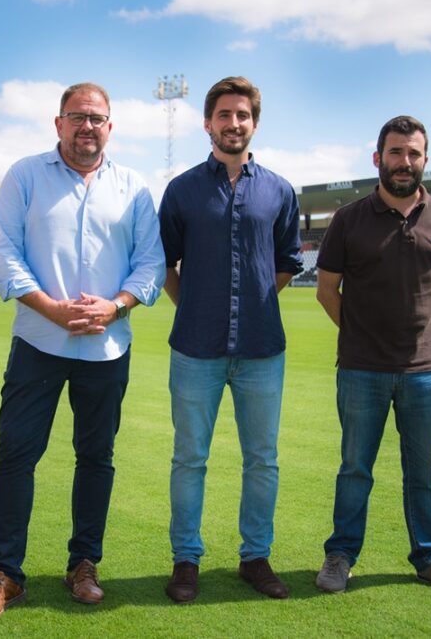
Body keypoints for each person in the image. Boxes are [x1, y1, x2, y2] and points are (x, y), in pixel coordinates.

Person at [0, 82, 166, 622]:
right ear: (58, 124)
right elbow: (1, 253)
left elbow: (150, 264)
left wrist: (115, 306)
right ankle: (5, 572)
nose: (87, 127)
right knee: (16, 456)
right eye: (77, 117)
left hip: (106, 346)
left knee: (96, 458)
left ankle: (84, 565)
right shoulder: (25, 175)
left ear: (110, 126)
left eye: (97, 118)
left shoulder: (133, 187)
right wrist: (51, 308)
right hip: (38, 340)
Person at [313, 115, 431, 598]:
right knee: (354, 469)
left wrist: (422, 337)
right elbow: (327, 291)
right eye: (395, 152)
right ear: (377, 159)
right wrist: (365, 335)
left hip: (427, 374)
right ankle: (340, 555)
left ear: (425, 159)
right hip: (361, 371)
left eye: (413, 153)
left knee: (423, 473)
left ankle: (430, 558)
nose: (404, 162)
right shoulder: (349, 219)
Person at [157, 76, 303, 603]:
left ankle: (255, 557)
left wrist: (256, 299)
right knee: (189, 458)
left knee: (262, 458)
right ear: (208, 123)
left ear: (254, 124)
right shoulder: (183, 190)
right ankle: (185, 560)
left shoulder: (280, 190)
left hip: (263, 350)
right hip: (195, 348)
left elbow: (287, 263)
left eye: (243, 115)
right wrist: (195, 303)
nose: (233, 123)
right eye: (224, 114)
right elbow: (163, 265)